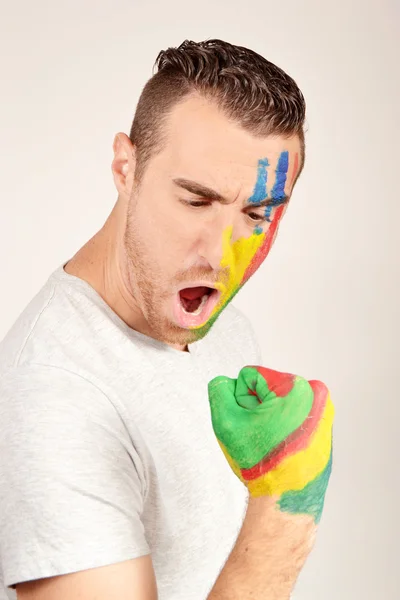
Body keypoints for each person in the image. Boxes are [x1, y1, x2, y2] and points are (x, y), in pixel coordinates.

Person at [0, 38, 334, 600]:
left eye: (255, 214)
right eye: (196, 200)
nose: (219, 252)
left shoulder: (220, 322)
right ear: (125, 166)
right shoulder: (54, 395)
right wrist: (287, 502)